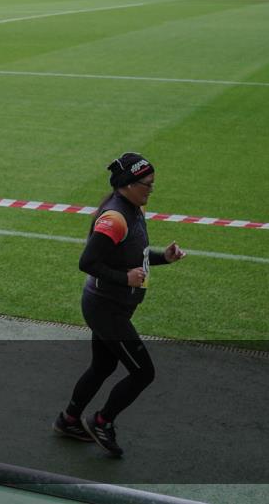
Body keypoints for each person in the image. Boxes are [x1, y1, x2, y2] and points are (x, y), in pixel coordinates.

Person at [53, 153, 186, 457]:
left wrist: (162, 257)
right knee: (143, 373)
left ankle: (69, 420)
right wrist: (125, 279)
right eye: (147, 184)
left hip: (110, 307)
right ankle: (102, 422)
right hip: (106, 309)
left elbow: (133, 256)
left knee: (102, 365)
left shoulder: (134, 208)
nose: (151, 189)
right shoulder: (114, 218)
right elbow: (87, 262)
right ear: (127, 184)